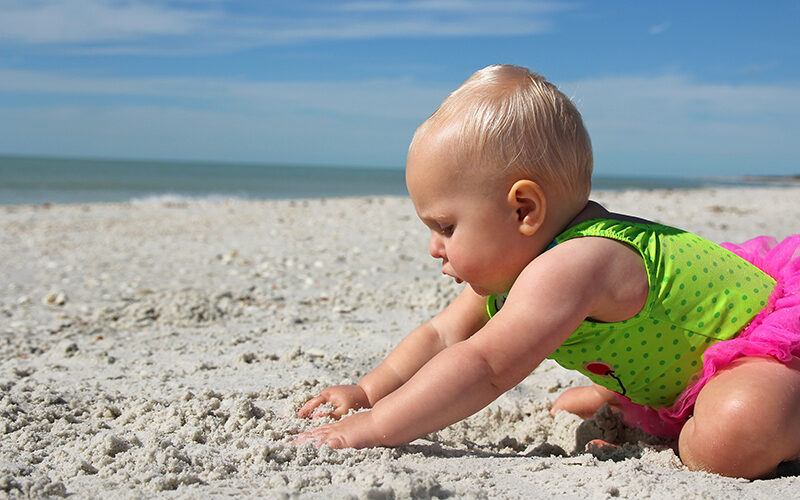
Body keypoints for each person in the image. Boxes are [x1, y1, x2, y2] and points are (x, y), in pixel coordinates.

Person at [293, 64, 800, 479]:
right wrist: (367, 393)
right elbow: (442, 335)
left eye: (446, 225)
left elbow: (486, 367)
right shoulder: (515, 269)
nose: (434, 248)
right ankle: (640, 400)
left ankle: (677, 424)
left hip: (765, 348)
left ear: (523, 211)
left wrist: (376, 428)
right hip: (690, 362)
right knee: (715, 406)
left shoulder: (579, 262)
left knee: (737, 432)